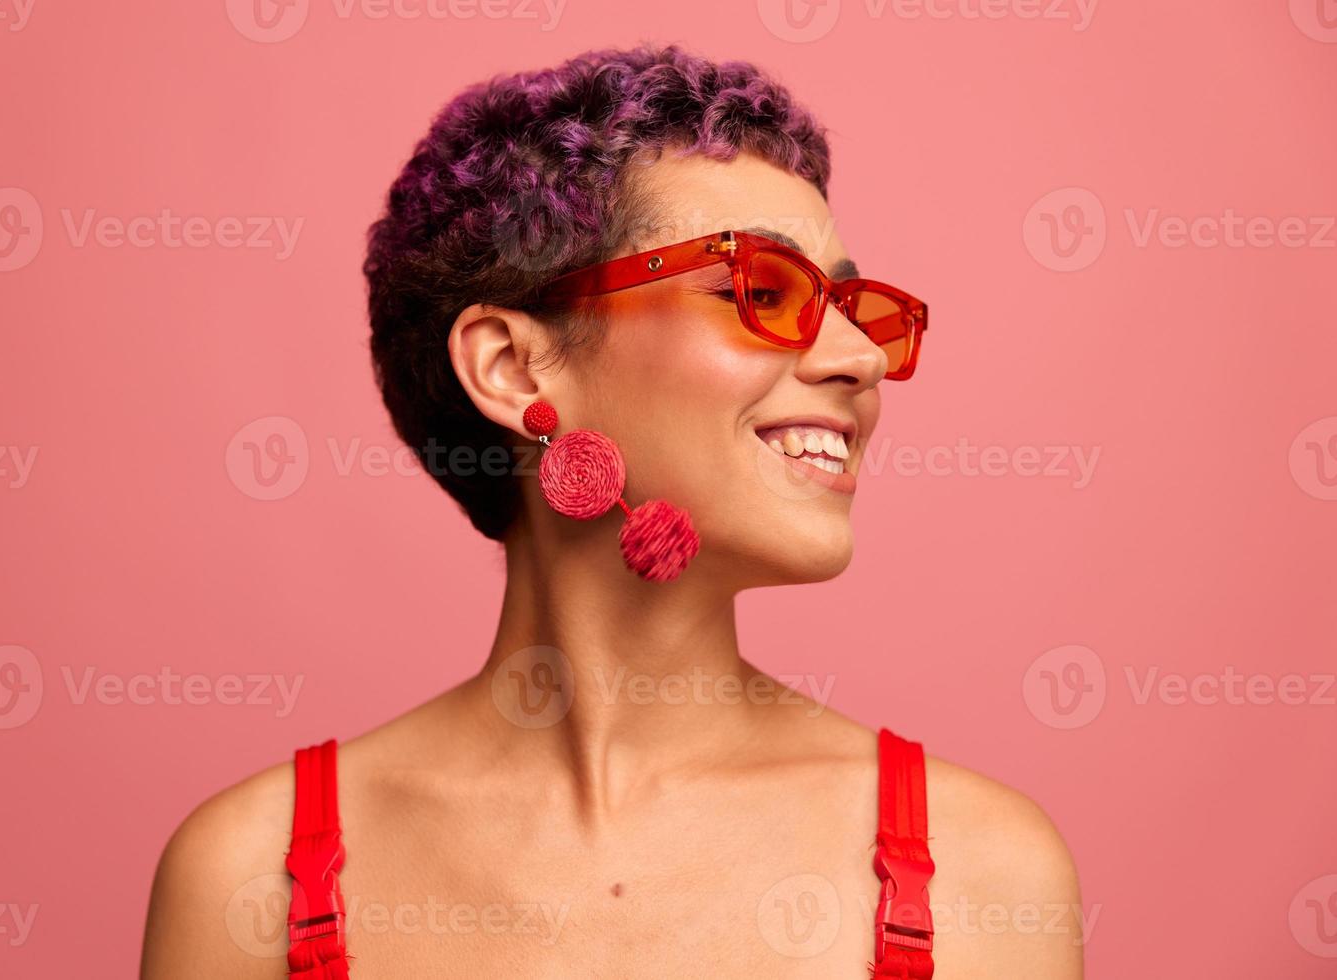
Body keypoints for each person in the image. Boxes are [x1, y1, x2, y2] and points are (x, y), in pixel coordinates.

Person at [141, 44, 1083, 978]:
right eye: (760, 289)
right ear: (513, 368)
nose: (862, 360)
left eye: (851, 305)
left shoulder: (981, 872)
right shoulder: (251, 879)